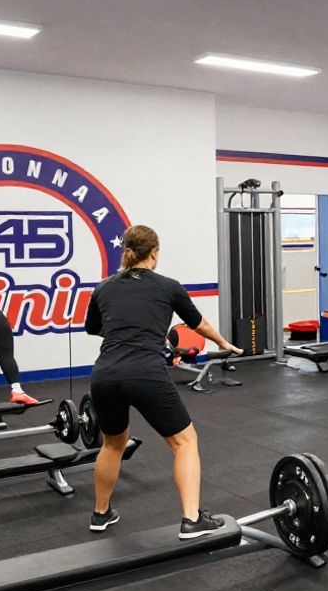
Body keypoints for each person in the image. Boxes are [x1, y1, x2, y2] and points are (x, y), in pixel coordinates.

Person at [84, 224, 244, 538]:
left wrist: (124, 332)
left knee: (112, 444)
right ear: (154, 253)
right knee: (184, 441)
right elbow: (200, 324)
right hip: (145, 372)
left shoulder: (103, 287)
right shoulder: (168, 286)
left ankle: (100, 513)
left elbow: (94, 328)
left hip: (105, 374)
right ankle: (191, 519)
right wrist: (224, 343)